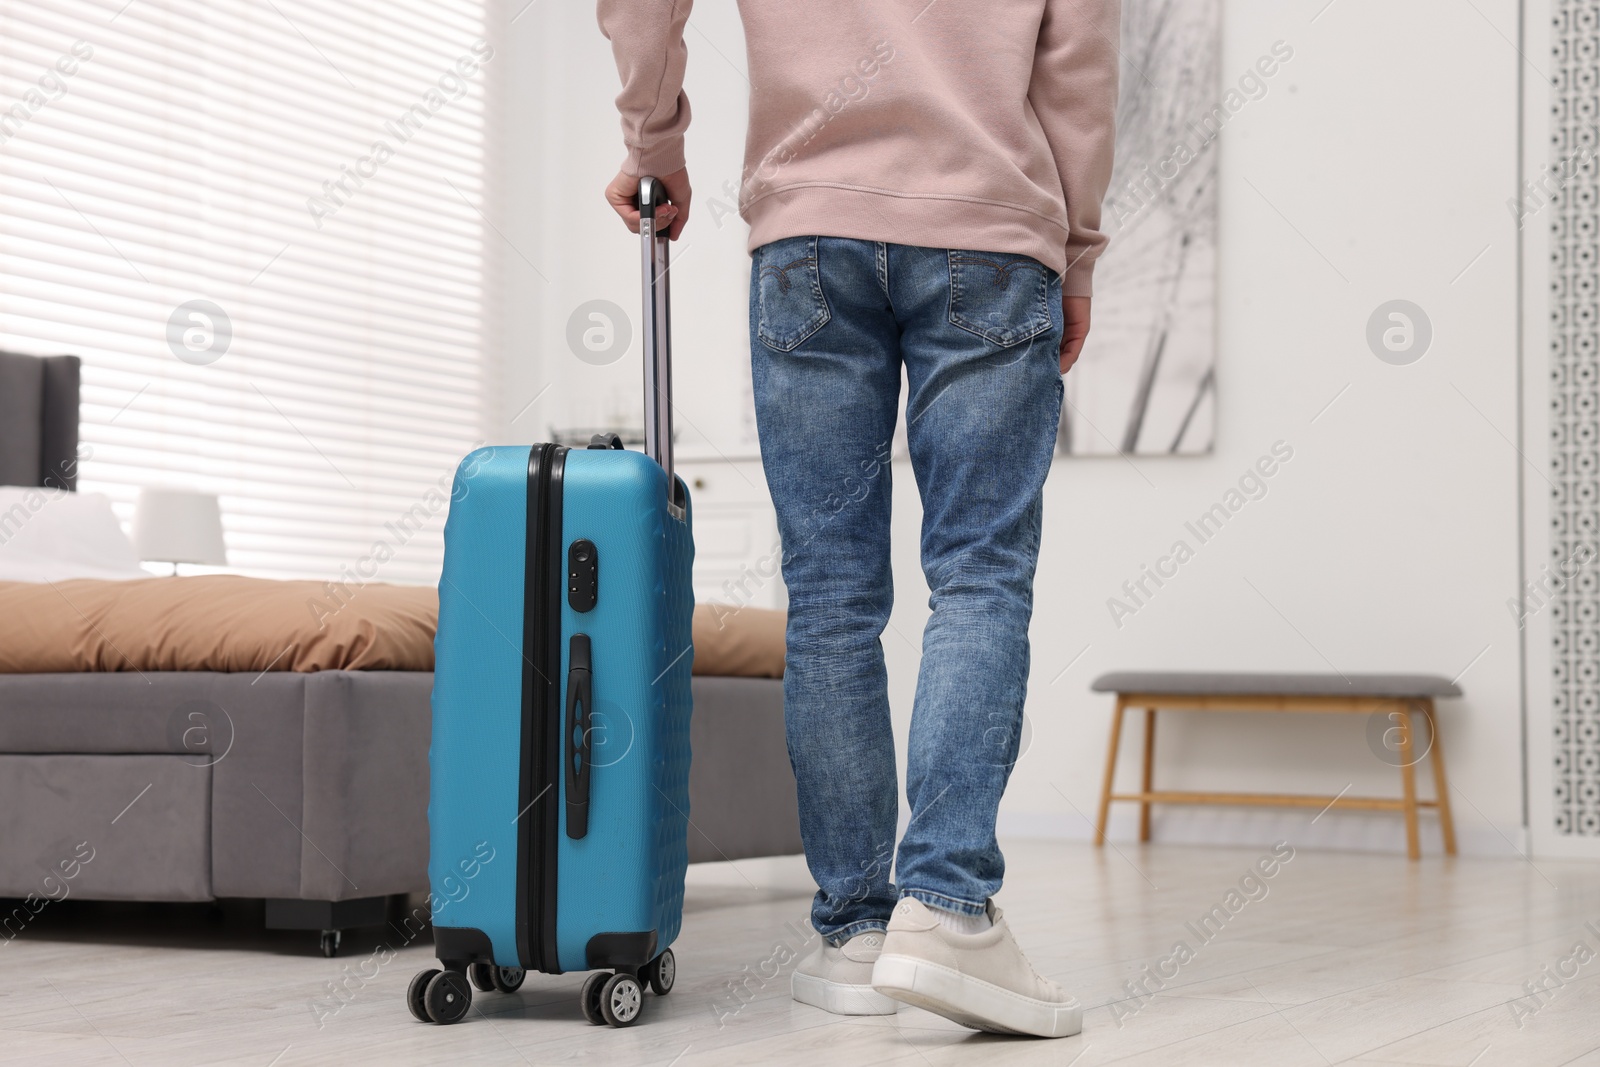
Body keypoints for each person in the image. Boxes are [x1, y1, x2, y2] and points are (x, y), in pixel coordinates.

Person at [598, 0, 1118, 1039]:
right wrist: (1077, 245)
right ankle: (950, 908)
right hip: (989, 229)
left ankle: (854, 932)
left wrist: (655, 143)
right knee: (978, 573)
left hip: (807, 234)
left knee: (830, 592)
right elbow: (1079, 65)